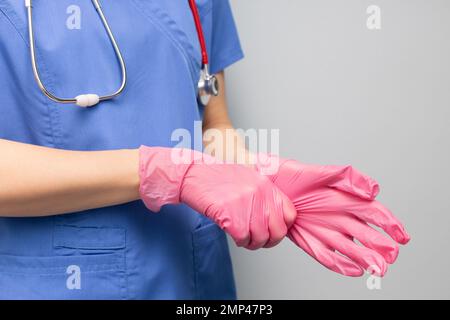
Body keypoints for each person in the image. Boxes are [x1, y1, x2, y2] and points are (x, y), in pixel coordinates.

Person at [0, 0, 409, 300]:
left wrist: (255, 173)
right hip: (58, 282)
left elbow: (214, 125)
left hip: (193, 276)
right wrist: (163, 172)